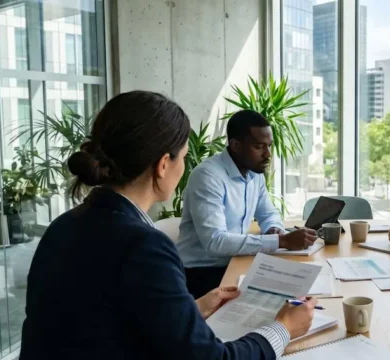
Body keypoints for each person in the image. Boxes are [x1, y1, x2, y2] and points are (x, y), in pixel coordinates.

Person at [21, 91, 317, 359]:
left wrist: (194, 309)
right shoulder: (143, 246)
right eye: (185, 157)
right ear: (164, 164)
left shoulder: (63, 226)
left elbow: (107, 323)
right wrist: (283, 328)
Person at [178, 110, 317, 299]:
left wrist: (274, 229)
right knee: (278, 302)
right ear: (236, 145)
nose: (268, 154)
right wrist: (282, 241)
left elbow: (268, 213)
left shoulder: (254, 174)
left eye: (269, 146)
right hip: (202, 274)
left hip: (236, 262)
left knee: (299, 290)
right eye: (259, 147)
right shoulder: (208, 177)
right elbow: (215, 242)